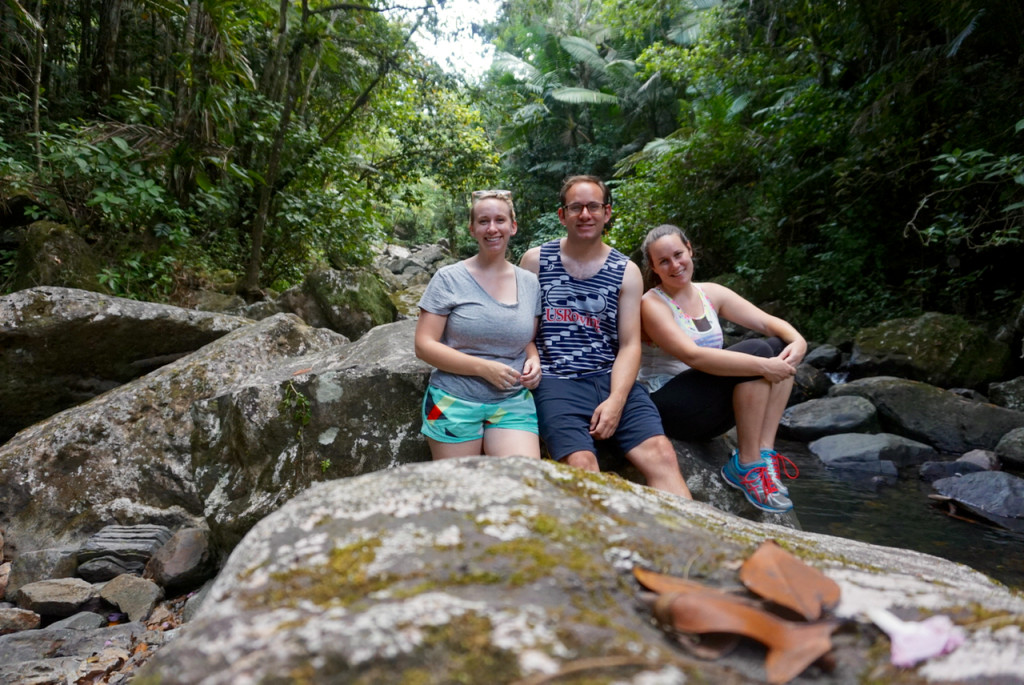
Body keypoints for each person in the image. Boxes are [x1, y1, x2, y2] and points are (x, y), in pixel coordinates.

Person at [520, 176, 692, 498]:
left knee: (662, 455)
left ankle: (690, 544)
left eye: (593, 206)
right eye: (576, 207)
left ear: (607, 212)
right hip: (557, 380)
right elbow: (523, 330)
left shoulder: (625, 270)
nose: (585, 214)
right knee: (582, 464)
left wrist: (615, 400)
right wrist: (532, 359)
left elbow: (630, 344)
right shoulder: (534, 262)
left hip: (610, 377)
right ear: (562, 215)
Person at [637, 224, 806, 513]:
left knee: (778, 345)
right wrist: (763, 366)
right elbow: (694, 356)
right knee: (760, 352)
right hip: (668, 405)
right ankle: (746, 465)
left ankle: (762, 454)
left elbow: (767, 323)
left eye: (678, 254)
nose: (675, 265)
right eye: (664, 261)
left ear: (689, 249)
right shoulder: (651, 304)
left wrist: (799, 342)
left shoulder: (710, 293)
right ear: (653, 267)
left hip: (706, 403)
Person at [414, 189, 542, 460]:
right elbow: (424, 346)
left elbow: (526, 338)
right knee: (459, 492)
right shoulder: (448, 279)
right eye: (483, 221)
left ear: (513, 227)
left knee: (524, 484)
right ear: (472, 229)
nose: (492, 228)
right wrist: (483, 368)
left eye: (500, 220)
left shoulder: (530, 283)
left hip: (512, 400)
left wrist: (534, 359)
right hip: (451, 401)